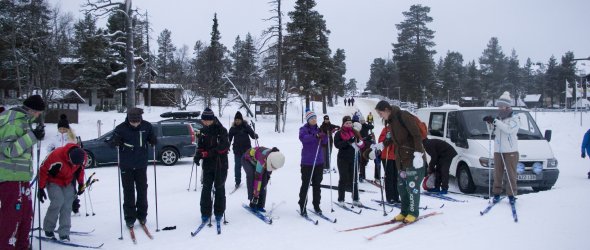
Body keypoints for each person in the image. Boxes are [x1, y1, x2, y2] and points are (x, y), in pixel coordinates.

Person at [0, 94, 46, 250]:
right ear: (32, 110)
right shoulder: (13, 122)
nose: (39, 115)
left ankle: (22, 245)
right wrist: (32, 136)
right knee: (12, 217)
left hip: (20, 176)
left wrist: (34, 135)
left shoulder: (23, 122)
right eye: (38, 112)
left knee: (26, 215)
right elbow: (8, 149)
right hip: (10, 176)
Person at [374, 100, 426, 223]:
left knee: (412, 187)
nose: (380, 116)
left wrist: (418, 154)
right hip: (401, 160)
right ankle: (404, 211)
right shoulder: (391, 121)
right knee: (402, 187)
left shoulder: (404, 116)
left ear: (387, 109)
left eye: (380, 113)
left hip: (413, 159)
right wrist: (381, 145)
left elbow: (417, 135)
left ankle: (413, 212)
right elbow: (392, 138)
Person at [111, 107, 156, 229]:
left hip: (141, 164)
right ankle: (129, 218)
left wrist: (153, 140)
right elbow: (111, 142)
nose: (135, 124)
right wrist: (115, 141)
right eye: (133, 122)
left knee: (142, 190)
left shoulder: (147, 126)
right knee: (128, 191)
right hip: (126, 165)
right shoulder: (121, 128)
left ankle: (142, 215)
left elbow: (152, 138)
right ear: (128, 119)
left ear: (141, 119)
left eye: (137, 121)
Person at [38, 144, 86, 241]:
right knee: (58, 201)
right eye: (73, 163)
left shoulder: (82, 157)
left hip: (67, 181)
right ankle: (48, 228)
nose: (74, 165)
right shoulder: (56, 156)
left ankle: (64, 232)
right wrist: (41, 188)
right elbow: (43, 170)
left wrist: (81, 183)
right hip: (53, 180)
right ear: (69, 157)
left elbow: (80, 170)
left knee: (67, 204)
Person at [194, 108, 230, 223]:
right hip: (208, 164)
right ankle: (205, 213)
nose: (204, 122)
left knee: (219, 188)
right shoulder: (202, 130)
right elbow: (200, 145)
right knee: (206, 188)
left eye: (206, 121)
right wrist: (198, 155)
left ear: (211, 120)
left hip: (220, 164)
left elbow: (224, 147)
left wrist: (208, 153)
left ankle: (219, 212)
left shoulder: (222, 130)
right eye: (203, 120)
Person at [484, 91, 520, 204]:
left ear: (507, 106)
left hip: (510, 151)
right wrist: (489, 123)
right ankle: (496, 193)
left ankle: (512, 195)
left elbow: (509, 130)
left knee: (511, 174)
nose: (499, 108)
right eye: (498, 106)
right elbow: (491, 132)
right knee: (497, 173)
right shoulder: (498, 118)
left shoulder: (515, 118)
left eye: (501, 106)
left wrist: (496, 122)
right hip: (498, 150)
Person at [298, 110, 328, 215]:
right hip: (307, 162)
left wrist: (325, 135)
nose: (314, 120)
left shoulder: (319, 129)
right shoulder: (303, 129)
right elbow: (303, 139)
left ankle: (316, 205)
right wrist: (315, 136)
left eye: (315, 118)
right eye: (311, 118)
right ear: (308, 120)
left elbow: (325, 142)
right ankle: (302, 205)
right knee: (306, 184)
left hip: (318, 161)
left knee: (317, 185)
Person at [334, 116, 365, 206]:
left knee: (354, 179)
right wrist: (347, 142)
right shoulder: (339, 133)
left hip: (354, 158)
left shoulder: (355, 132)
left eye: (350, 123)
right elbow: (337, 145)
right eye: (347, 123)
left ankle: (355, 198)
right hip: (343, 158)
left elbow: (361, 144)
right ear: (343, 124)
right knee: (343, 178)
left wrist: (361, 142)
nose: (349, 124)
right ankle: (341, 199)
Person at [243, 147, 285, 212]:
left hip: (259, 162)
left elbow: (269, 171)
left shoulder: (275, 157)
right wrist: (256, 196)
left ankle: (260, 205)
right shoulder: (262, 159)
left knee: (264, 182)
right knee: (252, 177)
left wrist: (266, 179)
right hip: (248, 160)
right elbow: (258, 178)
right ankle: (253, 202)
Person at [228, 111, 258, 188]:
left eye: (238, 120)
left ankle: (252, 180)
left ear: (241, 120)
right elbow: (229, 139)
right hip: (237, 151)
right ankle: (237, 182)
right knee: (237, 167)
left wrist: (255, 135)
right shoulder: (233, 128)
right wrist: (227, 146)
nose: (237, 121)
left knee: (249, 167)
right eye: (236, 120)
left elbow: (252, 135)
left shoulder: (246, 126)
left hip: (247, 151)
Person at [375, 123, 400, 203]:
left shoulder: (400, 130)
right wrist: (387, 139)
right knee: (389, 177)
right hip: (387, 156)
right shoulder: (386, 129)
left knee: (396, 177)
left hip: (396, 156)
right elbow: (381, 142)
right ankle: (390, 197)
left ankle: (396, 196)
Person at [358, 117, 374, 181]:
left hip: (367, 144)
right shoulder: (359, 126)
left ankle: (362, 174)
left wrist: (366, 124)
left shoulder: (366, 126)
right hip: (362, 144)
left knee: (366, 158)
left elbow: (372, 127)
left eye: (363, 121)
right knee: (362, 160)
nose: (362, 122)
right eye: (361, 121)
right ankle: (361, 175)